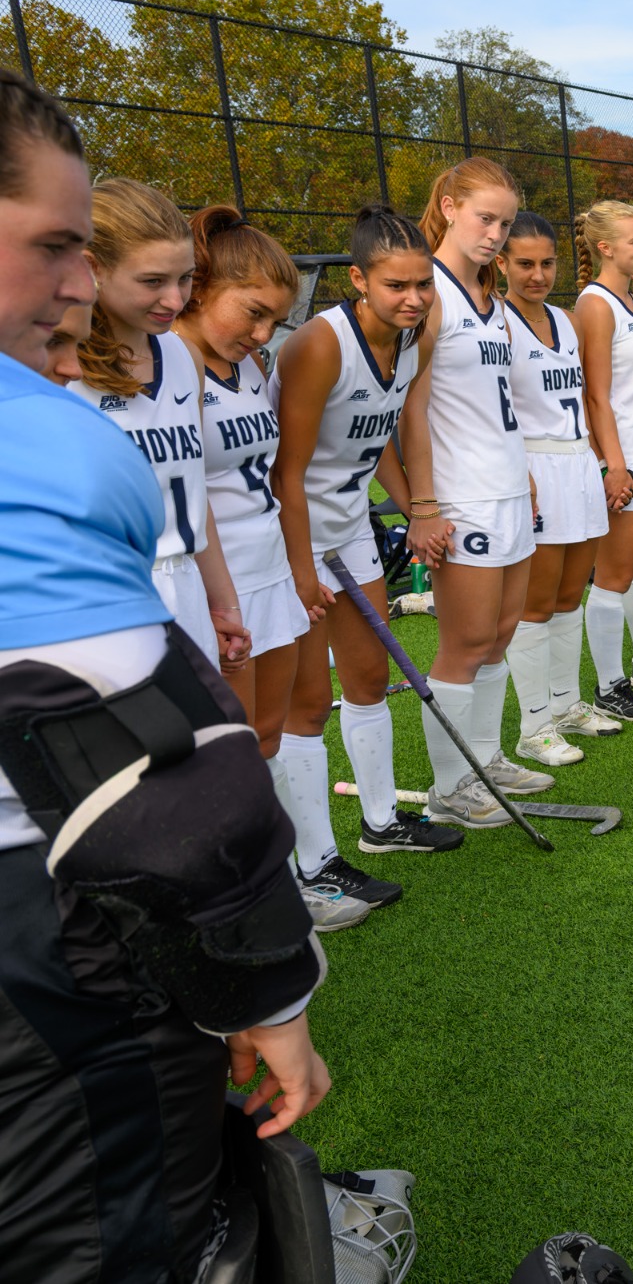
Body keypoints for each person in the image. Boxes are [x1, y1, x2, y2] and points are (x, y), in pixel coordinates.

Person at [0, 67, 328, 1283]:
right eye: (56, 246)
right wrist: (273, 984)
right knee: (115, 1229)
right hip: (51, 946)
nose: (79, 286)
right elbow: (162, 783)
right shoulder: (40, 435)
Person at [174, 208, 364, 931]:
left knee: (270, 736)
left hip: (271, 572)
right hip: (220, 583)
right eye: (252, 314)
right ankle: (244, 898)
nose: (263, 336)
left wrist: (298, 571)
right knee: (234, 750)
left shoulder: (247, 364)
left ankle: (282, 880)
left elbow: (278, 479)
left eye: (273, 322)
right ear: (199, 287)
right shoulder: (171, 364)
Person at [273, 206, 456, 911]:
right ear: (358, 278)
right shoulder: (320, 345)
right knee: (307, 701)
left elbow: (374, 432)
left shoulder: (412, 342)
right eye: (396, 285)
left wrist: (415, 509)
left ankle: (381, 822)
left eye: (423, 285)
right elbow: (285, 471)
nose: (413, 299)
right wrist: (299, 566)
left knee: (370, 675)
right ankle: (315, 859)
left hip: (350, 529)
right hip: (294, 537)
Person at [403, 156, 552, 826]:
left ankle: (485, 759)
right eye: (485, 217)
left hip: (506, 488)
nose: (495, 233)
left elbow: (496, 404)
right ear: (450, 206)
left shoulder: (490, 298)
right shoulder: (425, 291)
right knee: (464, 643)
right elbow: (410, 405)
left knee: (499, 636)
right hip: (461, 496)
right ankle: (448, 786)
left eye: (505, 222)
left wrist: (522, 475)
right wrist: (424, 505)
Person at [70, 178, 249, 674]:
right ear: (93, 269)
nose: (174, 298)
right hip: (103, 600)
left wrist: (223, 603)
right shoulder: (56, 370)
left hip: (186, 585)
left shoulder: (181, 354)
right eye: (152, 281)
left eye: (186, 278)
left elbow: (194, 493)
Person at [500, 211, 618, 767]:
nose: (537, 274)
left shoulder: (567, 321)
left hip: (578, 464)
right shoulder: (495, 322)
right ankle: (533, 725)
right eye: (524, 263)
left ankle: (568, 704)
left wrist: (603, 459)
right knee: (536, 604)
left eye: (547, 263)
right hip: (536, 465)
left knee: (572, 594)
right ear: (500, 262)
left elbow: (592, 398)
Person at [571, 200, 633, 724]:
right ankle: (608, 683)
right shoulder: (596, 305)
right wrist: (613, 464)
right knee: (612, 576)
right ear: (605, 247)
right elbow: (595, 397)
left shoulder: (632, 301)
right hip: (626, 459)